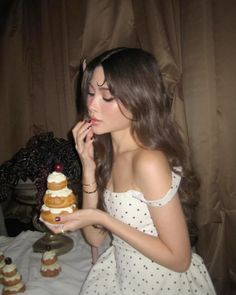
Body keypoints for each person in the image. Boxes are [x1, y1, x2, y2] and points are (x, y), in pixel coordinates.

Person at [47, 48, 216, 294]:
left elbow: (180, 260)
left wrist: (104, 219)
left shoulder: (148, 162)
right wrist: (88, 167)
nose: (92, 105)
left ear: (139, 98)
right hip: (123, 275)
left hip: (161, 283)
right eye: (90, 93)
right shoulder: (108, 153)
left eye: (108, 97)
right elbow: (94, 238)